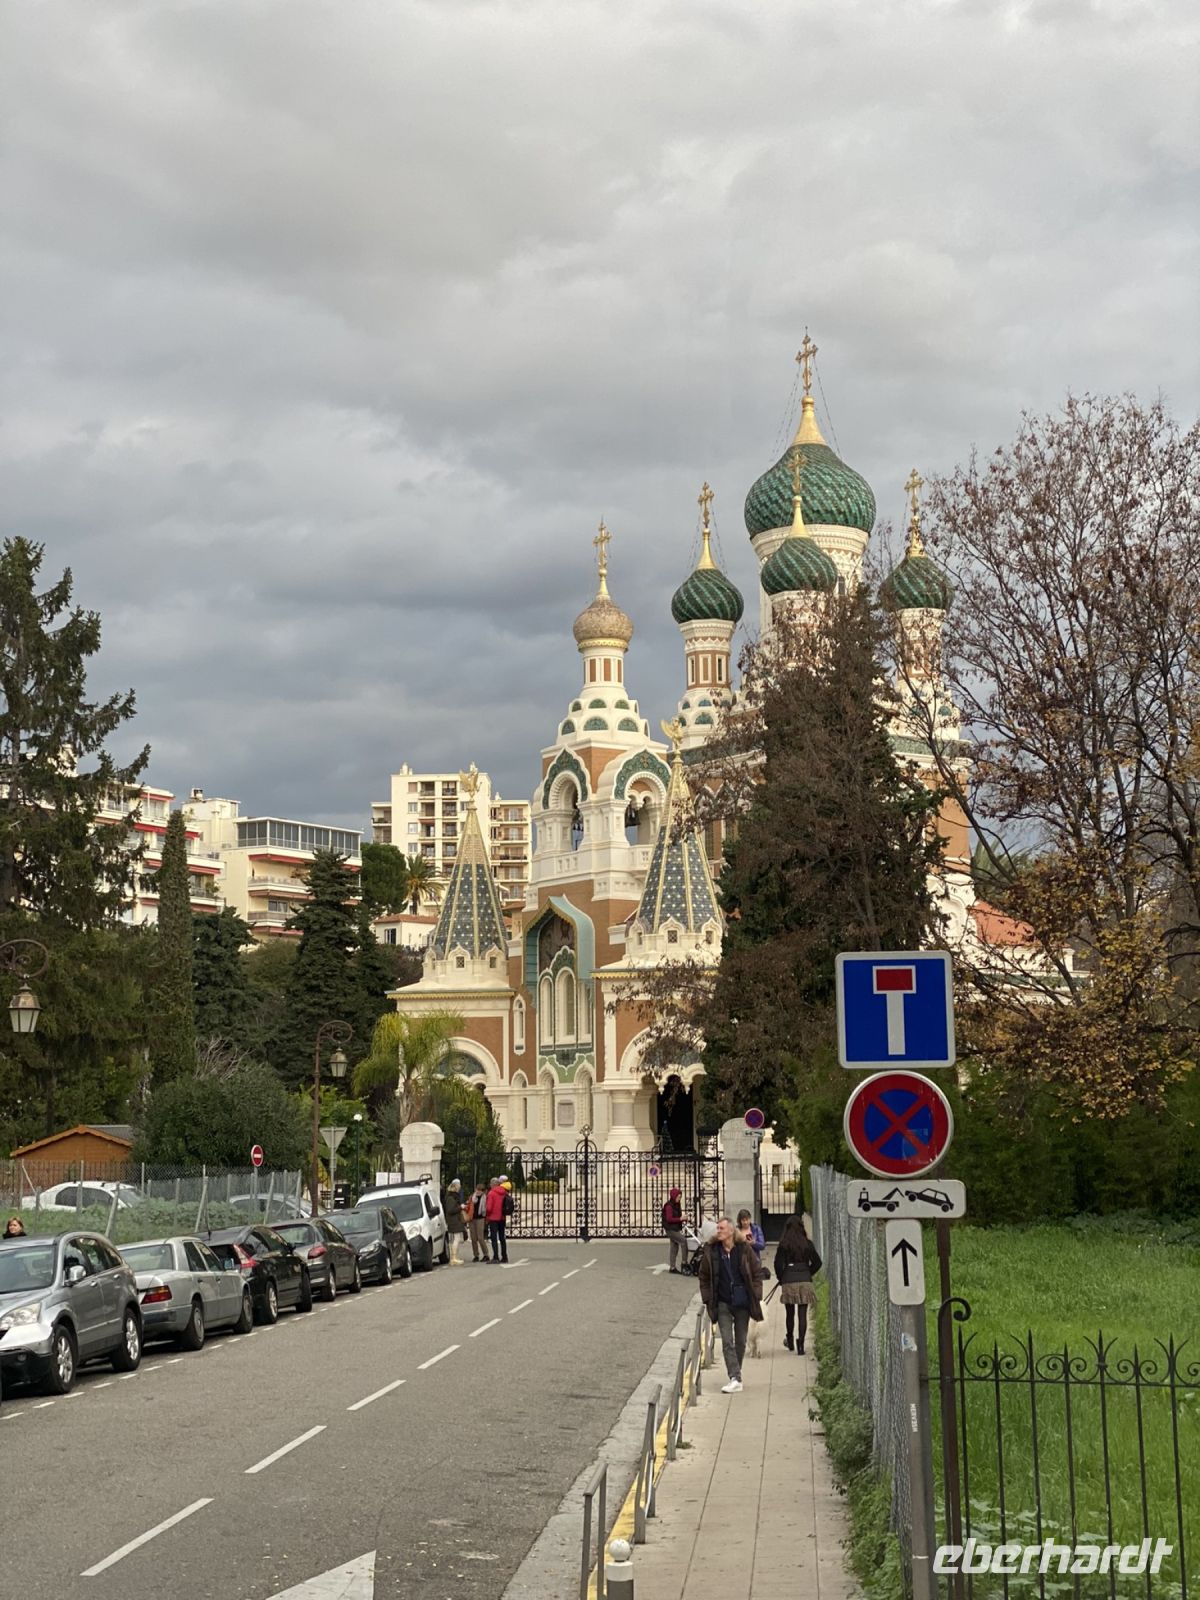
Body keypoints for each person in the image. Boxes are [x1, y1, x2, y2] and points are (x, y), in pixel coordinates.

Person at [698, 1215, 764, 1393]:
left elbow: (756, 1272)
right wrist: (707, 1298)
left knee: (741, 1341)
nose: (718, 1231)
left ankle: (736, 1373)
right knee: (727, 1340)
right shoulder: (712, 1251)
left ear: (730, 1231)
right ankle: (735, 1377)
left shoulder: (744, 1249)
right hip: (723, 1302)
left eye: (721, 1228)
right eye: (717, 1228)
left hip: (742, 1302)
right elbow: (703, 1276)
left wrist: (756, 1294)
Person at [774, 1215, 822, 1355]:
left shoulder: (784, 1245)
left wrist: (781, 1277)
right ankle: (801, 1344)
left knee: (790, 1313)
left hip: (789, 1280)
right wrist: (808, 1273)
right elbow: (818, 1263)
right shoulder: (807, 1244)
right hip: (805, 1280)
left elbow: (778, 1264)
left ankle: (789, 1340)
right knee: (803, 1313)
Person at [737, 1209, 769, 1358]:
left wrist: (753, 1242)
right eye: (743, 1220)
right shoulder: (737, 1232)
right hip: (741, 1269)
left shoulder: (756, 1229)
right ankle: (748, 1340)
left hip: (754, 1266)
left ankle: (757, 1340)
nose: (745, 1222)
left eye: (747, 1219)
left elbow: (762, 1245)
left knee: (757, 1302)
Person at [484, 1175, 509, 1264]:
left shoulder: (491, 1193)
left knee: (494, 1238)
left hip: (493, 1218)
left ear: (492, 1184)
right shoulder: (504, 1192)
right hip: (502, 1217)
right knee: (502, 1238)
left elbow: (489, 1208)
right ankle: (504, 1256)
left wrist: (486, 1212)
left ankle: (495, 1257)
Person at [443, 1179, 467, 1265]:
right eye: (459, 1186)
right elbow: (450, 1210)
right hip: (454, 1220)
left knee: (455, 1239)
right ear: (455, 1187)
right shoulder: (451, 1198)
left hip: (454, 1220)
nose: (460, 1187)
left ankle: (454, 1257)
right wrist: (460, 1207)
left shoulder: (451, 1197)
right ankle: (453, 1258)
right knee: (456, 1239)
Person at [662, 1187, 686, 1273]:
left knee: (674, 1247)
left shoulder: (676, 1205)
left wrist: (682, 1219)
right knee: (683, 1241)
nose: (679, 1199)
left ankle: (672, 1267)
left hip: (675, 1228)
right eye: (678, 1197)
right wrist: (680, 1219)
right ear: (674, 1196)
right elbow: (669, 1219)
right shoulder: (669, 1206)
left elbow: (677, 1217)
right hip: (670, 1229)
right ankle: (684, 1263)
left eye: (680, 1197)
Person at [466, 1181, 490, 1262]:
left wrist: (487, 1219)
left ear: (483, 1191)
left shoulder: (485, 1198)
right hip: (472, 1219)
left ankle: (486, 1254)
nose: (478, 1191)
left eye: (480, 1190)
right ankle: (476, 1255)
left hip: (480, 1219)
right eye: (477, 1189)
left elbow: (487, 1209)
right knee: (473, 1238)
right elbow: (468, 1206)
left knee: (480, 1238)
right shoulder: (472, 1197)